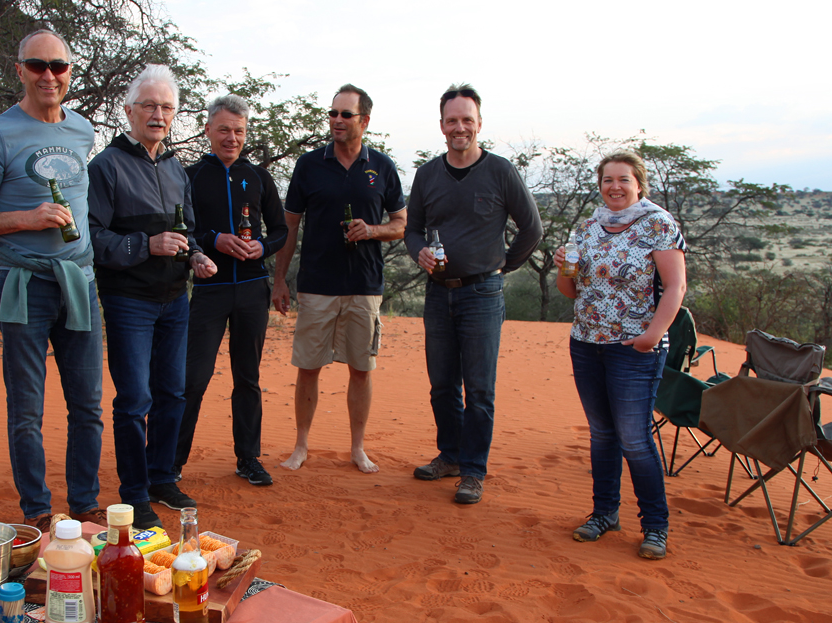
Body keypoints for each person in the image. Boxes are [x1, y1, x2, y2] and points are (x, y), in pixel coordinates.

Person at [0, 29, 104, 534]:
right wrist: (27, 218)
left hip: (79, 281)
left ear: (69, 72)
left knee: (87, 402)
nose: (48, 75)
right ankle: (36, 510)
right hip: (23, 282)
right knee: (27, 406)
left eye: (58, 66)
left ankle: (84, 504)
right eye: (37, 65)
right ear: (20, 70)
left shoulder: (82, 131)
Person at [88, 64, 217, 530]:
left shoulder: (175, 166)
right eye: (150, 106)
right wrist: (146, 245)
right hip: (129, 301)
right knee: (135, 398)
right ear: (129, 111)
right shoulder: (106, 166)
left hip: (173, 299)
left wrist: (197, 256)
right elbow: (94, 238)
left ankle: (162, 476)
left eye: (167, 107)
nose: (159, 114)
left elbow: (186, 231)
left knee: (172, 393)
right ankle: (135, 494)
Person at [407, 83, 542, 505]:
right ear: (442, 126)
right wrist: (419, 253)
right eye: (452, 120)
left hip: (482, 293)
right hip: (437, 292)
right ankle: (449, 455)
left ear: (479, 123)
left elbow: (532, 229)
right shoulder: (428, 174)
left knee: (479, 388)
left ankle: (473, 471)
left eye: (467, 119)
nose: (459, 127)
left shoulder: (500, 171)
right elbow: (411, 229)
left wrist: (502, 266)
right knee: (442, 385)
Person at [553, 151, 687, 560]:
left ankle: (655, 526)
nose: (615, 186)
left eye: (623, 179)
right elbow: (571, 292)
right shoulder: (589, 227)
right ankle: (604, 514)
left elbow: (676, 287)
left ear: (639, 184)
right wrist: (562, 268)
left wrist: (652, 335)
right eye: (608, 179)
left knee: (634, 439)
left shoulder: (657, 224)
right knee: (602, 434)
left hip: (633, 348)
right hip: (587, 343)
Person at [271, 84, 406, 474]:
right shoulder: (309, 164)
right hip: (316, 285)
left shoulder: (380, 166)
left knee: (361, 369)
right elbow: (290, 226)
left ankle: (357, 449)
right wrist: (280, 280)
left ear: (364, 120)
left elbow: (401, 224)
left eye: (345, 115)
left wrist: (372, 230)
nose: (336, 121)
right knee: (308, 367)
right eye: (332, 114)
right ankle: (300, 446)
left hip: (364, 286)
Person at [177, 94, 288, 486]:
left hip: (252, 289)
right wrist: (213, 240)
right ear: (207, 130)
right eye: (223, 129)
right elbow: (182, 230)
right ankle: (170, 463)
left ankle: (248, 458)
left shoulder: (258, 176)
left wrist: (263, 247)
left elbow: (280, 229)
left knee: (248, 378)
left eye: (238, 131)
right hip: (210, 288)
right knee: (193, 378)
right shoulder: (188, 176)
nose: (231, 137)